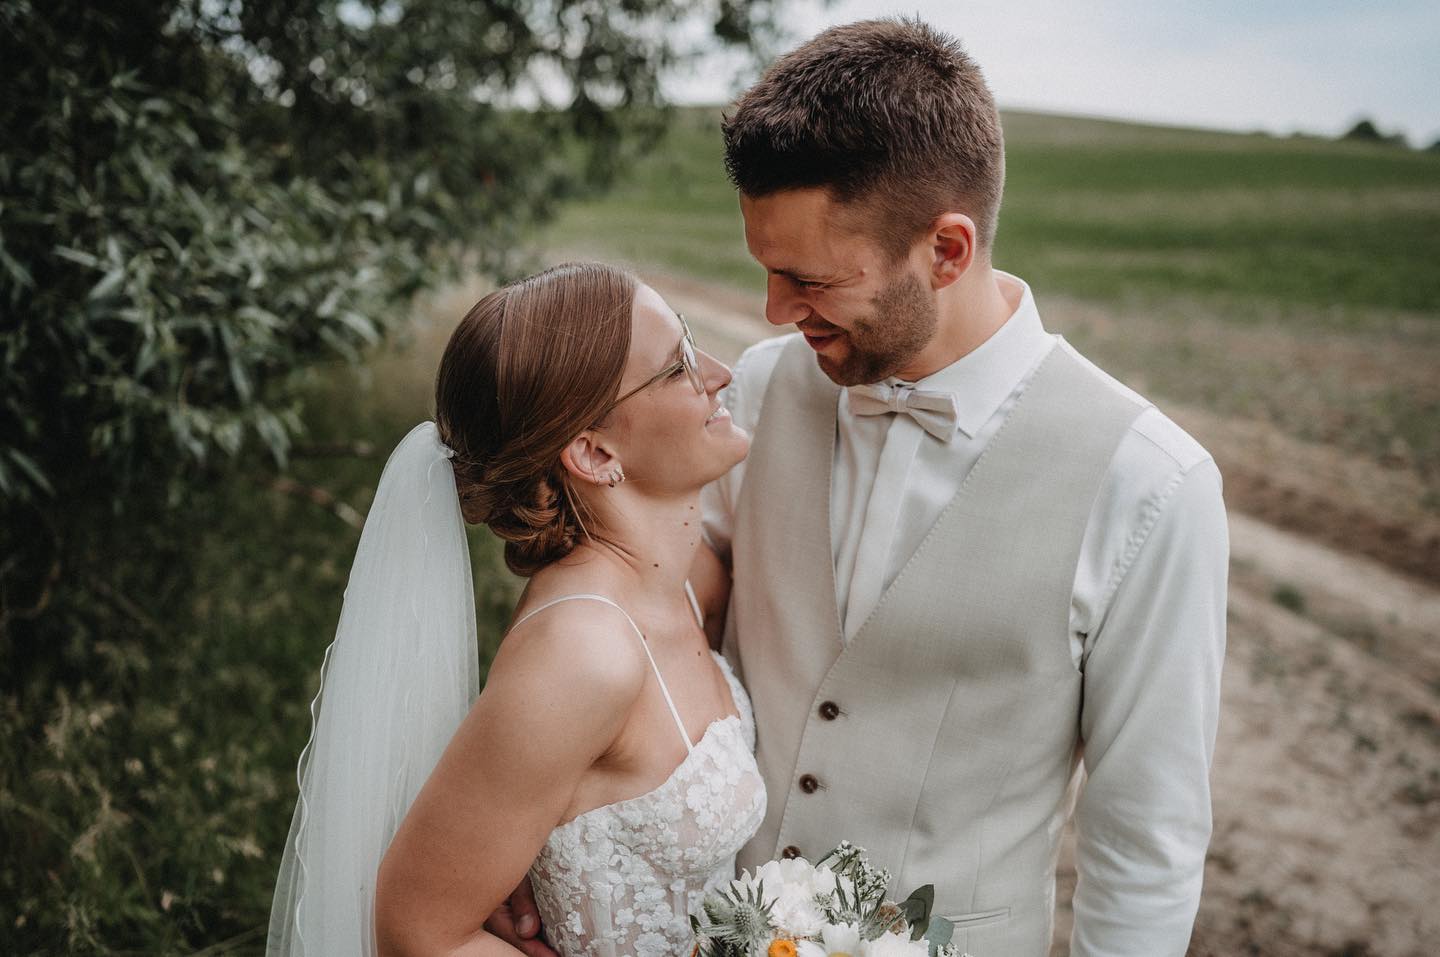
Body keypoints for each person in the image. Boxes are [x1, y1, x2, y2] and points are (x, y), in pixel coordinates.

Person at [694, 17, 1229, 957]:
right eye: (767, 272)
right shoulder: (754, 394)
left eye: (809, 279)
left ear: (947, 250)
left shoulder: (1148, 485)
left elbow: (1145, 839)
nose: (776, 312)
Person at [265, 262, 765, 957]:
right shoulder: (581, 654)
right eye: (677, 366)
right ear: (593, 452)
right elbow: (416, 927)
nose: (719, 371)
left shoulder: (688, 581)